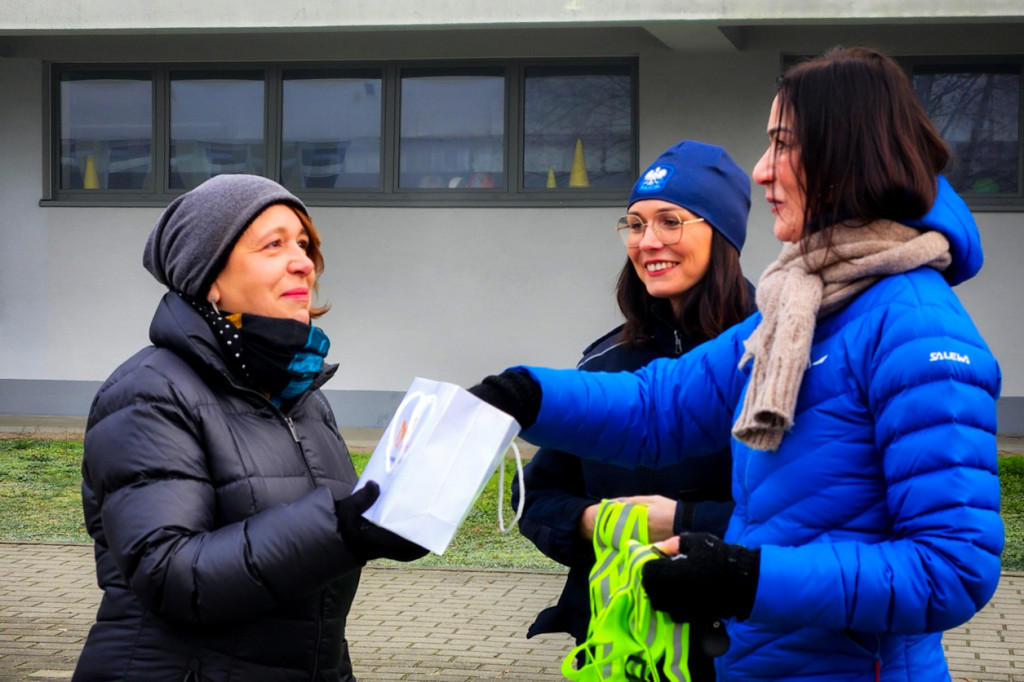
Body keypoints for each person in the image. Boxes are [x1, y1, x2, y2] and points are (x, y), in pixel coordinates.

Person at [470, 46, 1003, 680]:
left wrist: (748, 577)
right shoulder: (797, 308)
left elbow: (953, 569)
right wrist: (526, 396)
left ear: (845, 156)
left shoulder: (915, 327)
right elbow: (657, 407)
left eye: (783, 145)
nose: (760, 171)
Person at [74, 174, 427, 682]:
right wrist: (345, 529)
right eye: (274, 244)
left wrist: (386, 525)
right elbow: (171, 574)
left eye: (304, 244)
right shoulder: (149, 391)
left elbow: (310, 573)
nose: (303, 260)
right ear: (209, 277)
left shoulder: (301, 397)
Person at [512, 140, 753, 680]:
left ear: (723, 234)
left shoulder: (780, 354)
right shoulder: (605, 362)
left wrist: (685, 523)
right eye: (636, 224)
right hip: (617, 645)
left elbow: (817, 518)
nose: (649, 242)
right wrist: (595, 522)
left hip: (740, 646)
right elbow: (535, 494)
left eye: (670, 221)